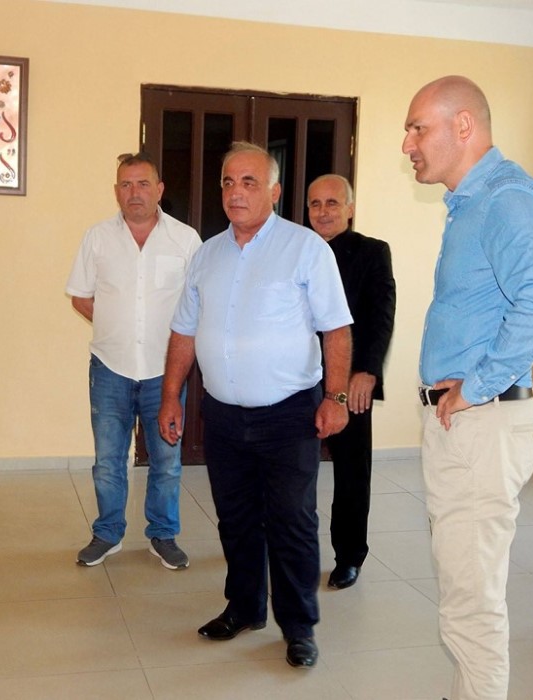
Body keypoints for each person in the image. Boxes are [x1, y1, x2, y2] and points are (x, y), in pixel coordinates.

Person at [402, 76, 533, 699]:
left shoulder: (505, 198)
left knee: (470, 605)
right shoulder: (470, 203)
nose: (407, 144)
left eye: (418, 128)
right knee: (463, 591)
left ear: (464, 126)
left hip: (483, 424)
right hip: (469, 424)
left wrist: (476, 386)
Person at [158, 142, 353, 669]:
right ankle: (244, 607)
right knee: (236, 518)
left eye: (249, 182)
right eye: (228, 182)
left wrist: (336, 397)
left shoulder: (305, 248)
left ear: (274, 191)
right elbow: (183, 331)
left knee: (291, 521)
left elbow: (336, 328)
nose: (235, 192)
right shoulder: (206, 255)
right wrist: (171, 395)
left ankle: (298, 626)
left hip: (288, 413)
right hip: (223, 415)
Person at [66, 152, 201, 570]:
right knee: (108, 461)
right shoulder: (97, 238)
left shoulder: (185, 240)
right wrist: (118, 326)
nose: (134, 192)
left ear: (159, 190)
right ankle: (108, 533)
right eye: (126, 185)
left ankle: (163, 534)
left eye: (143, 184)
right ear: (116, 191)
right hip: (110, 366)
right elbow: (81, 296)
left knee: (166, 461)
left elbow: (197, 304)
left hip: (166, 372)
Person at [307, 174, 396, 591]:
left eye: (332, 203)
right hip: (296, 381)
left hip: (348, 381)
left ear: (350, 208)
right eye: (315, 204)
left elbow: (380, 315)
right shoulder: (296, 249)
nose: (323, 212)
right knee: (289, 471)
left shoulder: (372, 252)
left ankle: (349, 557)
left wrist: (367, 371)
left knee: (351, 473)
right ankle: (286, 545)